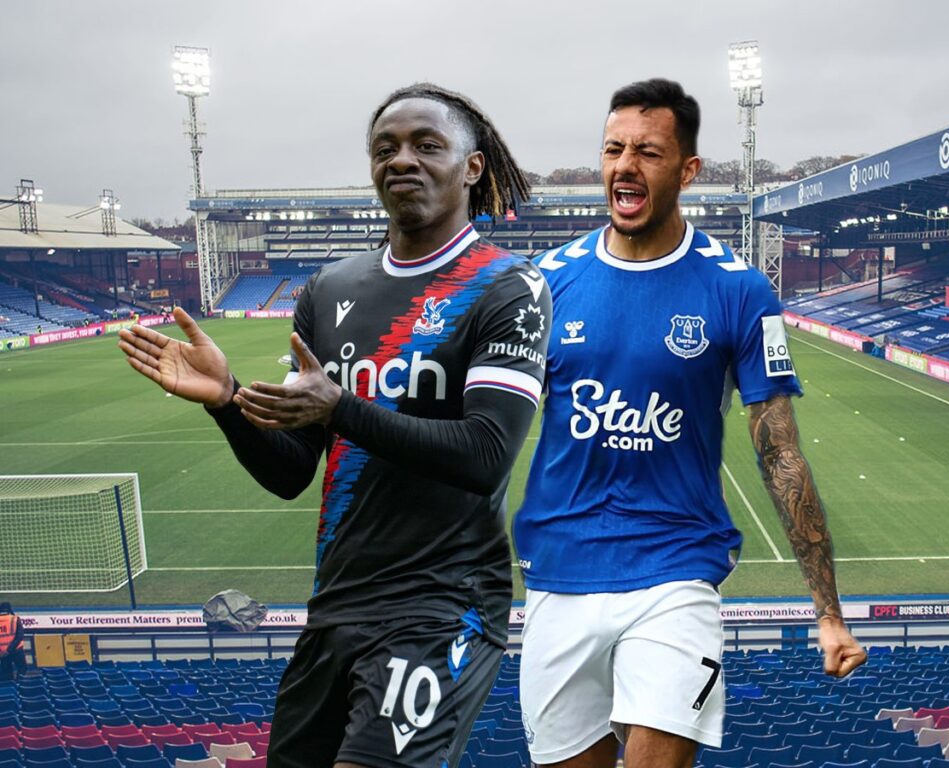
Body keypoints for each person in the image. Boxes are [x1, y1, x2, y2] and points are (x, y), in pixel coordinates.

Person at [118, 83, 551, 768]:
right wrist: (227, 400)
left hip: (443, 604)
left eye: (427, 145)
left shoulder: (507, 286)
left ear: (472, 167)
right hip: (337, 603)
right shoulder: (329, 289)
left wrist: (342, 407)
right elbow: (292, 470)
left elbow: (485, 455)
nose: (401, 159)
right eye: (385, 148)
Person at [513, 78, 866, 768]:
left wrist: (827, 612)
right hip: (558, 570)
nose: (625, 166)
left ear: (688, 169)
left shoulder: (738, 289)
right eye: (613, 149)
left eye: (648, 152)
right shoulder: (545, 282)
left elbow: (781, 454)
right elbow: (486, 436)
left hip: (675, 571)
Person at [0, 602, 27, 682]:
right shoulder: (14, 619)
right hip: (16, 650)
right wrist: (9, 649)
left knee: (6, 674)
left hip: (2, 653)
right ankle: (19, 684)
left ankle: (10, 687)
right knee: (22, 668)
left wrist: (3, 651)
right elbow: (19, 636)